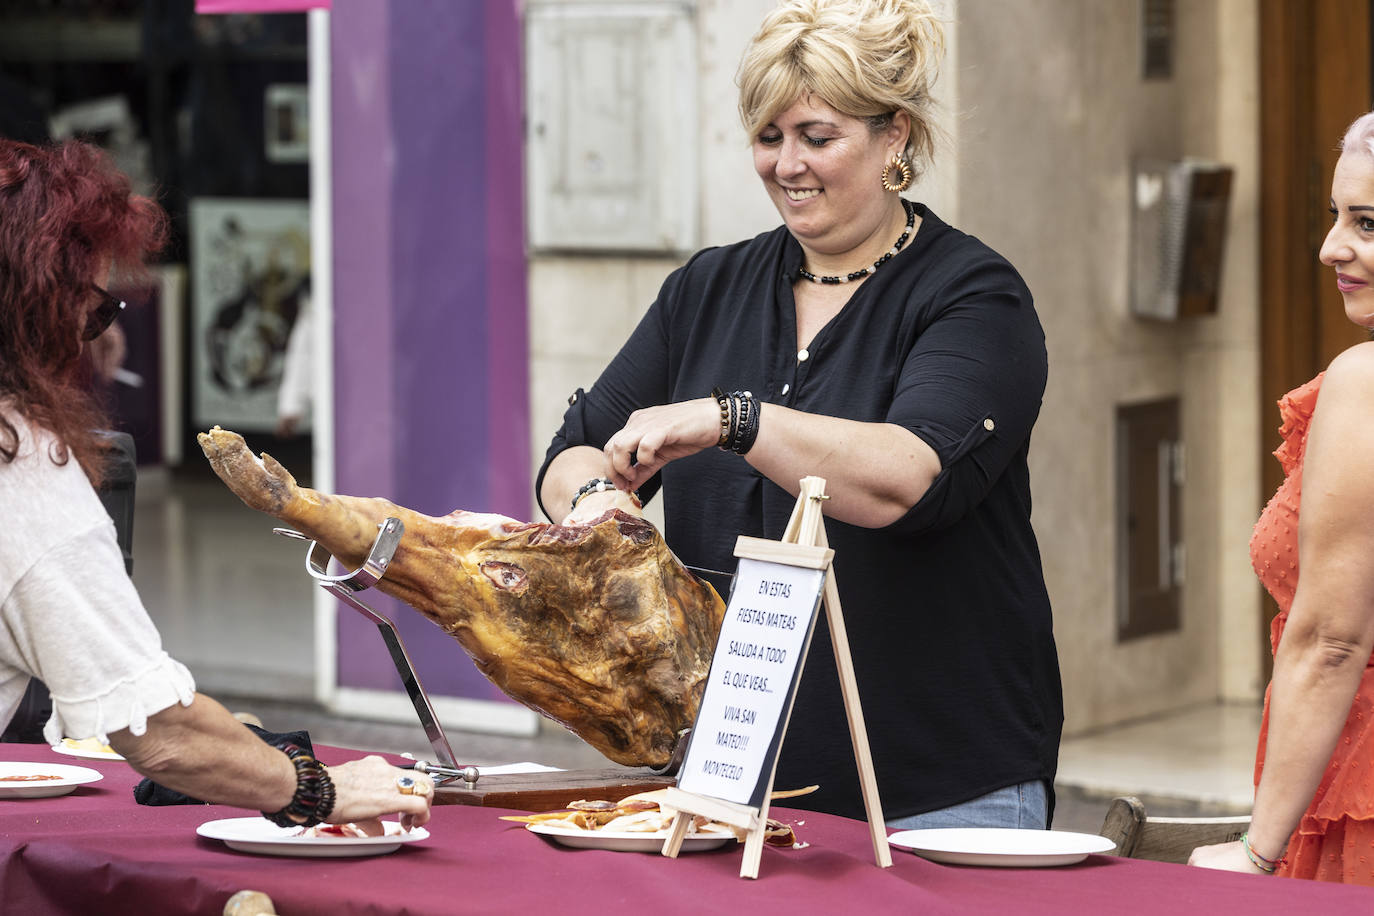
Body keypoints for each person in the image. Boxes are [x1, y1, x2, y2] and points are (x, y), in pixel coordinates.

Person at [537, 0, 1062, 829]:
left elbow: (906, 479)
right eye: (769, 136)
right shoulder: (706, 289)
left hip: (940, 791)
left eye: (818, 137)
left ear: (894, 137)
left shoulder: (974, 296)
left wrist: (735, 420)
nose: (788, 165)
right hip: (730, 782)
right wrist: (600, 505)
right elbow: (574, 451)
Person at [0, 137, 432, 831]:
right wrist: (320, 787)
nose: (89, 340)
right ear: (43, 303)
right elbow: (160, 732)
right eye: (96, 312)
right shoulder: (23, 474)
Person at [1190, 112, 1374, 884]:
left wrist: (1255, 851)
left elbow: (1331, 640)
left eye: (1367, 223)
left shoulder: (1367, 383)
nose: (1331, 247)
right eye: (1336, 215)